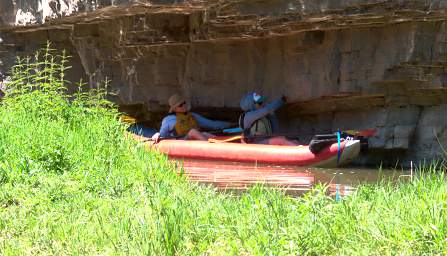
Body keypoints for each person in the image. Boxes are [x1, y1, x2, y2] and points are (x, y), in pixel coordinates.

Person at [152, 94, 233, 141]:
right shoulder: (168, 120)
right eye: (180, 105)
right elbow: (162, 134)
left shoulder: (193, 116)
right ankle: (213, 149)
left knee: (204, 133)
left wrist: (231, 124)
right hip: (181, 142)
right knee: (193, 132)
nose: (184, 105)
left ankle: (223, 144)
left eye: (184, 103)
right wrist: (157, 134)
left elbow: (212, 124)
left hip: (194, 140)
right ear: (175, 109)